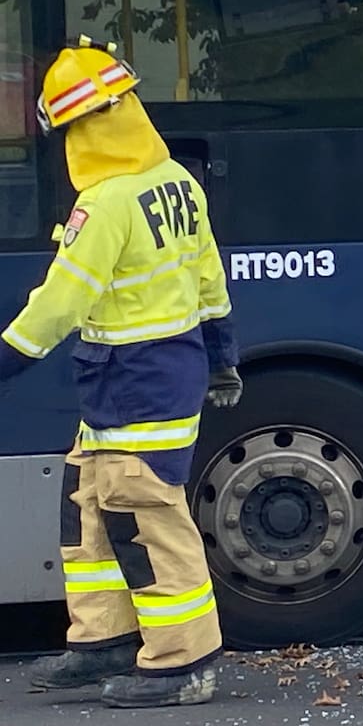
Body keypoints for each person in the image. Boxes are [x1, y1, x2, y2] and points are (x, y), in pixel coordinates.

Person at [0, 35, 242, 709]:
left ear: (83, 129)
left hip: (136, 381)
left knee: (144, 516)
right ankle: (102, 640)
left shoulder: (105, 203)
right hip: (149, 376)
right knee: (90, 506)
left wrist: (7, 359)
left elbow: (62, 299)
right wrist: (222, 356)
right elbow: (209, 280)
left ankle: (183, 661)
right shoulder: (177, 183)